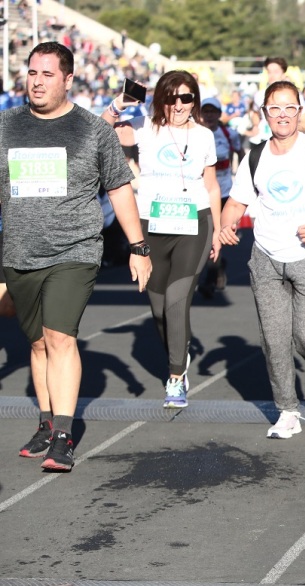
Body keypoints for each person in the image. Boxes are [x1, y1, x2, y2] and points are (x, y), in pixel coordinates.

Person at [2, 42, 151, 471]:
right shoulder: (6, 127)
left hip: (76, 250)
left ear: (68, 80)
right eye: (32, 73)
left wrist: (138, 248)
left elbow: (120, 189)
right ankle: (47, 422)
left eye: (47, 74)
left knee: (61, 337)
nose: (37, 81)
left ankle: (64, 435)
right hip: (19, 251)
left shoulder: (92, 129)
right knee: (37, 342)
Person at [217, 80, 305, 438]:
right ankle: (287, 410)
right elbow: (236, 202)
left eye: (289, 107)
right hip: (265, 256)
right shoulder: (255, 156)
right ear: (264, 113)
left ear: (299, 111)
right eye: (274, 108)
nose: (282, 115)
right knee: (274, 339)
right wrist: (226, 223)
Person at [102, 70, 222, 409]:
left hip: (194, 224)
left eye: (187, 98)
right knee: (158, 310)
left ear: (195, 101)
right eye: (172, 97)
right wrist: (118, 104)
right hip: (151, 225)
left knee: (176, 299)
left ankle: (175, 375)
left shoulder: (204, 136)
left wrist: (215, 230)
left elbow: (211, 186)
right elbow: (98, 131)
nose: (179, 105)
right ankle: (177, 353)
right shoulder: (144, 128)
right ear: (160, 99)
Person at [198, 96, 245, 298]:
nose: (209, 115)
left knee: (213, 237)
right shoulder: (195, 134)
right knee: (203, 239)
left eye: (213, 111)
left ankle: (209, 278)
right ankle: (218, 266)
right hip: (200, 193)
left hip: (223, 192)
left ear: (219, 114)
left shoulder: (229, 134)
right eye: (205, 111)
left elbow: (241, 154)